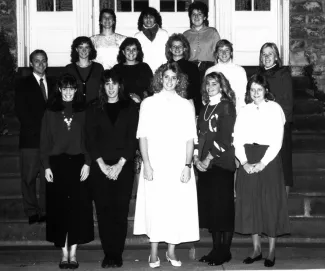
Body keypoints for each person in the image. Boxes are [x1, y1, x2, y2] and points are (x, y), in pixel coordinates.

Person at [133, 62, 199, 268]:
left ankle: (171, 250)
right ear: (160, 79)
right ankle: (153, 252)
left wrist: (187, 165)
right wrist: (147, 164)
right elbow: (142, 136)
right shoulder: (148, 103)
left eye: (173, 77)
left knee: (175, 207)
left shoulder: (185, 105)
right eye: (166, 77)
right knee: (155, 205)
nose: (169, 81)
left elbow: (190, 138)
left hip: (178, 163)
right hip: (155, 162)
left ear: (178, 80)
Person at [233, 74, 290, 268]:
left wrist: (263, 162)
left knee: (270, 203)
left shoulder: (275, 109)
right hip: (248, 157)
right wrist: (244, 161)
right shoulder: (244, 110)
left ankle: (272, 251)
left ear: (265, 90)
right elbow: (237, 139)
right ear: (248, 92)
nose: (255, 93)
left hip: (269, 159)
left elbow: (277, 140)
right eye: (252, 90)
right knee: (251, 203)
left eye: (259, 89)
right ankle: (256, 249)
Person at [86, 69, 139, 268]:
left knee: (120, 211)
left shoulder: (130, 107)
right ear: (103, 86)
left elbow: (132, 138)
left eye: (114, 83)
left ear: (119, 85)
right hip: (100, 167)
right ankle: (108, 253)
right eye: (107, 83)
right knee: (103, 211)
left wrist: (119, 164)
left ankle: (117, 253)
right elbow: (90, 139)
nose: (110, 87)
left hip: (123, 167)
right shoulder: (93, 108)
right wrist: (101, 164)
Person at [40, 73, 94, 269]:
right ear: (60, 90)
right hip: (57, 165)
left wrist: (88, 162)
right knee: (59, 210)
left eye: (72, 88)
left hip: (79, 164)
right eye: (65, 88)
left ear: (76, 90)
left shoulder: (83, 111)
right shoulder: (50, 112)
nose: (69, 92)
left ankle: (74, 253)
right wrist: (46, 166)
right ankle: (64, 254)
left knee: (77, 210)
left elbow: (88, 140)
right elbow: (44, 142)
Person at [194, 72, 236, 266]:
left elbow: (225, 138)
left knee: (223, 209)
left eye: (215, 83)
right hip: (206, 165)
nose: (211, 86)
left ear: (222, 86)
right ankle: (215, 249)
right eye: (208, 84)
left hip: (221, 163)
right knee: (212, 209)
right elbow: (199, 136)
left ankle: (224, 251)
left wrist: (208, 158)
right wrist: (197, 159)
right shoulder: (204, 108)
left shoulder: (226, 106)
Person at [15, 49, 55, 225]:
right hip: (31, 139)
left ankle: (45, 210)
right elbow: (22, 112)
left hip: (51, 141)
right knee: (29, 177)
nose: (41, 64)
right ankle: (32, 210)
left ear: (47, 62)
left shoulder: (54, 83)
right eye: (37, 61)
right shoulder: (23, 83)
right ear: (31, 63)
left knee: (48, 178)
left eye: (44, 60)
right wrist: (41, 131)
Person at [258, 42, 293, 195]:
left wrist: (278, 123)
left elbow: (287, 102)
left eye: (270, 54)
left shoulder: (283, 74)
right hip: (262, 126)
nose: (267, 57)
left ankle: (283, 200)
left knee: (283, 161)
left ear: (276, 57)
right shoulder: (258, 76)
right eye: (264, 54)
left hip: (280, 124)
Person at [205, 39, 247, 114]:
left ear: (231, 53)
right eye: (220, 50)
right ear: (217, 53)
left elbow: (243, 95)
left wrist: (240, 113)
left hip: (235, 110)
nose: (224, 53)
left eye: (227, 50)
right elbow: (205, 94)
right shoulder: (210, 71)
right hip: (214, 110)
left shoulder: (240, 71)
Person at [183, 1, 220, 81]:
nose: (196, 17)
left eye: (199, 14)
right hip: (190, 68)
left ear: (205, 17)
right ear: (190, 17)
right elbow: (183, 55)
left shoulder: (213, 32)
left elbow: (217, 53)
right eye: (193, 14)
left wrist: (216, 70)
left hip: (208, 67)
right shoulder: (185, 34)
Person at [165, 33, 201, 115]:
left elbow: (196, 91)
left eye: (180, 46)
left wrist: (197, 113)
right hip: (168, 105)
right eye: (174, 46)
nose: (177, 48)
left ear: (185, 48)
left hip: (186, 105)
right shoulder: (165, 67)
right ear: (170, 49)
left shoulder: (192, 67)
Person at [65, 36, 104, 107]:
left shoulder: (98, 68)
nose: (84, 50)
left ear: (90, 49)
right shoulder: (69, 68)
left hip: (95, 108)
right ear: (76, 49)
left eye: (87, 47)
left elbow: (102, 90)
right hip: (75, 108)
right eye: (81, 47)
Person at [113, 37, 153, 103]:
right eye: (128, 49)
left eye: (134, 49)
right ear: (123, 52)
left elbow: (151, 89)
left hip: (141, 105)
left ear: (138, 52)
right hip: (122, 106)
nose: (131, 52)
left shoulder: (145, 67)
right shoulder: (116, 69)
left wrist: (141, 100)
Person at [135, 7, 169, 73]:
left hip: (162, 70)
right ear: (142, 20)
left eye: (151, 17)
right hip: (144, 70)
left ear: (155, 19)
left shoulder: (164, 33)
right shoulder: (137, 36)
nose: (148, 19)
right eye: (145, 17)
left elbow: (168, 53)